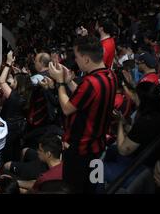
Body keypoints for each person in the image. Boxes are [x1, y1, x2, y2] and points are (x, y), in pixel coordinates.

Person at [49, 35, 117, 193]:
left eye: (77, 57)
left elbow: (67, 108)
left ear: (86, 59)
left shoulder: (90, 83)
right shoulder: (110, 75)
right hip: (99, 148)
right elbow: (85, 97)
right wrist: (67, 80)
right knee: (93, 186)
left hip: (80, 152)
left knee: (73, 189)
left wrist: (59, 82)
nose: (76, 61)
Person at [104, 82, 160, 186]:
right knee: (111, 150)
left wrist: (120, 123)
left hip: (143, 169)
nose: (133, 96)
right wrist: (125, 124)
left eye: (135, 94)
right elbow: (138, 136)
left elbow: (122, 150)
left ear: (141, 99)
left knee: (97, 168)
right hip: (145, 159)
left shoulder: (145, 121)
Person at [0, 51, 31, 163]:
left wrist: (7, 63)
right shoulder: (25, 96)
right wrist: (19, 73)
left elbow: (1, 81)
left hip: (9, 130)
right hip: (18, 129)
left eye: (14, 80)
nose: (12, 82)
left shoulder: (15, 97)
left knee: (7, 156)